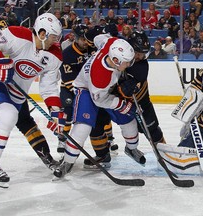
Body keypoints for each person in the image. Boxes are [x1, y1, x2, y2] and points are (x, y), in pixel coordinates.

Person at [0, 13, 65, 188]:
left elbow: (49, 86)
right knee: (7, 115)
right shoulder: (17, 35)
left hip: (15, 94)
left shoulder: (55, 56)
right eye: (53, 37)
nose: (56, 41)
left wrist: (55, 110)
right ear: (42, 33)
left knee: (7, 121)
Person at [53, 35, 146, 178]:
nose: (130, 64)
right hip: (86, 89)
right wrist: (122, 104)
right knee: (83, 126)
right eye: (127, 62)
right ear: (115, 61)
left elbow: (98, 38)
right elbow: (100, 101)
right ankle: (68, 161)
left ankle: (132, 149)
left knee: (128, 118)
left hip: (105, 91)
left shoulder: (112, 43)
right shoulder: (100, 77)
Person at [83, 31, 166, 169]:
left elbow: (128, 91)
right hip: (110, 99)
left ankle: (165, 156)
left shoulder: (141, 66)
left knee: (152, 129)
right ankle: (102, 155)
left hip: (139, 101)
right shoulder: (118, 47)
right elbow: (99, 39)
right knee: (96, 123)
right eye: (138, 52)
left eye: (144, 53)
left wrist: (125, 88)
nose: (141, 57)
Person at [58, 24, 118, 158]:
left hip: (90, 88)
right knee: (68, 109)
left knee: (102, 110)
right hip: (72, 88)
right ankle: (62, 139)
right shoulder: (67, 54)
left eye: (86, 39)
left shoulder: (92, 48)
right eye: (82, 39)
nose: (85, 43)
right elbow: (69, 82)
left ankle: (109, 137)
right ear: (75, 38)